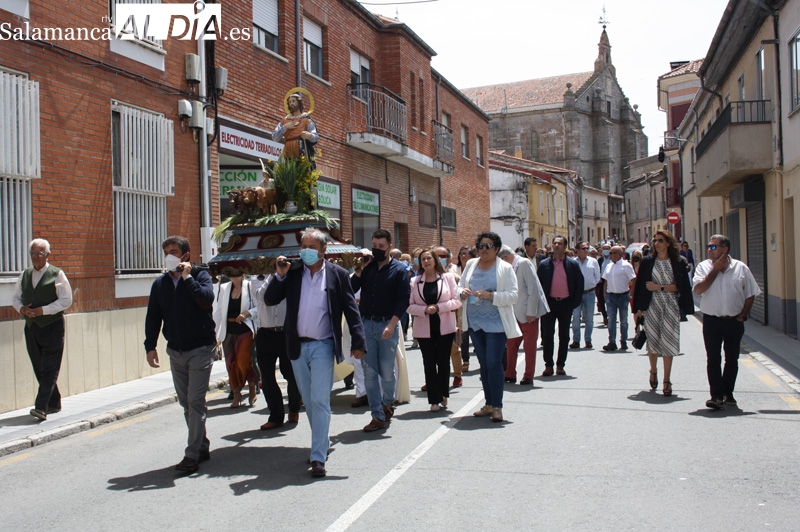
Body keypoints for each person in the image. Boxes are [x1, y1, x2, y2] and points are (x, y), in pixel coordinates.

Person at [265, 227, 366, 478]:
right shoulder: (293, 272)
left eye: (311, 246)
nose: (306, 251)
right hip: (297, 346)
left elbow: (351, 311)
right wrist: (279, 275)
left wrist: (358, 341)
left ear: (323, 250)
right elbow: (270, 299)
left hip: (322, 345)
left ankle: (318, 456)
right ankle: (321, 440)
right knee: (308, 402)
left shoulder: (338, 275)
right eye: (303, 246)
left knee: (320, 400)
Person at [144, 236, 217, 474]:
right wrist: (150, 345)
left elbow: (206, 301)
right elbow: (153, 315)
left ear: (185, 255)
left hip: (200, 349)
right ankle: (202, 445)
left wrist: (187, 278)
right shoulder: (160, 284)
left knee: (196, 401)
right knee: (186, 403)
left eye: (173, 251)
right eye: (166, 252)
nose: (169, 256)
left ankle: (192, 454)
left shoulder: (200, 276)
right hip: (175, 350)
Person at [350, 229, 410, 432]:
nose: (376, 250)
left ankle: (387, 402)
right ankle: (376, 414)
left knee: (386, 372)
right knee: (369, 371)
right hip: (366, 323)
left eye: (381, 247)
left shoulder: (399, 270)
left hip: (387, 324)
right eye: (374, 246)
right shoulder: (367, 268)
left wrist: (392, 324)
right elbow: (350, 288)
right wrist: (359, 270)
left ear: (389, 247)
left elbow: (403, 300)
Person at [458, 232, 521, 422]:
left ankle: (498, 406)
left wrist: (491, 295)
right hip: (475, 321)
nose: (483, 249)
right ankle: (488, 403)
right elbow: (459, 287)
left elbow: (513, 295)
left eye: (488, 246)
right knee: (484, 363)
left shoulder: (505, 268)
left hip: (496, 321)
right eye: (480, 245)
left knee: (493, 362)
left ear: (496, 249)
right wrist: (463, 292)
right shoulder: (470, 264)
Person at [692, 234, 760, 409]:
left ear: (725, 249)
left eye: (713, 247)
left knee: (732, 358)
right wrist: (715, 270)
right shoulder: (703, 267)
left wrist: (742, 315)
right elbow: (698, 290)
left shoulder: (740, 268)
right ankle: (716, 395)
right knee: (713, 358)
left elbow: (750, 293)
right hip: (711, 321)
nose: (709, 249)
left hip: (733, 321)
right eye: (709, 246)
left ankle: (728, 392)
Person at [12, 238, 73, 421]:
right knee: (39, 365)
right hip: (31, 327)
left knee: (50, 367)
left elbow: (66, 301)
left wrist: (43, 310)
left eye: (39, 253)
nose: (36, 257)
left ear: (47, 255)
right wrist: (22, 309)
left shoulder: (57, 274)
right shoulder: (25, 274)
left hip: (52, 326)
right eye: (33, 253)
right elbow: (16, 298)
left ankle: (41, 407)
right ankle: (54, 401)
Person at [632, 230, 695, 397]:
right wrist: (637, 309)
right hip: (651, 305)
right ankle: (653, 370)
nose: (657, 243)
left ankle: (667, 380)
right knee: (652, 340)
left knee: (669, 341)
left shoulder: (678, 262)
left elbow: (681, 286)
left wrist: (659, 287)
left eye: (660, 240)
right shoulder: (647, 261)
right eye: (654, 240)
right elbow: (639, 286)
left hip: (670, 304)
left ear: (668, 243)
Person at [407, 248, 462, 411]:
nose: (426, 261)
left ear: (435, 260)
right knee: (429, 363)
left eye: (429, 258)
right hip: (424, 329)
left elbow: (456, 301)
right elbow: (409, 306)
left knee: (443, 362)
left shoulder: (448, 278)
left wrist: (439, 307)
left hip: (445, 327)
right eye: (423, 259)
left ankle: (444, 393)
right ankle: (434, 399)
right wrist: (424, 310)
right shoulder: (414, 282)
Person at [251, 274, 302, 429]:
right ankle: (276, 415)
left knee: (291, 374)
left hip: (285, 332)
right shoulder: (257, 277)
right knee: (267, 377)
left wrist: (282, 276)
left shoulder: (290, 277)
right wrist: (274, 276)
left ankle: (294, 407)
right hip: (265, 333)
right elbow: (261, 297)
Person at [498, 245, 548, 386]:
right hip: (513, 312)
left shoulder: (524, 263)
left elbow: (534, 288)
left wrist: (531, 312)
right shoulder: (508, 267)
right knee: (511, 344)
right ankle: (510, 373)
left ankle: (528, 375)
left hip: (527, 313)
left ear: (506, 258)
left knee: (529, 346)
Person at [537, 236, 584, 376]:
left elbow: (579, 284)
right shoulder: (544, 264)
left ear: (565, 247)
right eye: (555, 243)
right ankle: (548, 365)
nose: (556, 245)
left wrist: (573, 303)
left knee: (564, 336)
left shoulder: (572, 265)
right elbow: (538, 285)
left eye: (559, 243)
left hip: (565, 304)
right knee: (547, 335)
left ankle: (560, 365)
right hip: (549, 304)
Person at [213, 272, 258, 408]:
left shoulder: (250, 287)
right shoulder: (224, 288)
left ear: (242, 274)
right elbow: (219, 311)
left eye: (235, 273)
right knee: (230, 363)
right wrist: (214, 333)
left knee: (242, 362)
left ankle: (252, 387)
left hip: (245, 330)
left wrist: (246, 313)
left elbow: (259, 307)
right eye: (230, 273)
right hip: (229, 331)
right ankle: (236, 394)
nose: (233, 276)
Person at [434, 245, 463, 386]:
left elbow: (459, 300)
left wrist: (460, 322)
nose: (439, 259)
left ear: (449, 259)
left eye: (443, 256)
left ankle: (457, 375)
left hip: (450, 317)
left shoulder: (454, 277)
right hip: (430, 319)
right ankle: (433, 378)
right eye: (436, 256)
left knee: (453, 349)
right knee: (432, 352)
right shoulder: (424, 275)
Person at [601, 246, 636, 351]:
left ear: (618, 254)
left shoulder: (626, 266)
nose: (609, 255)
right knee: (611, 320)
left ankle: (623, 341)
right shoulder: (609, 266)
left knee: (623, 320)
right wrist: (604, 294)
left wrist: (631, 293)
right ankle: (612, 341)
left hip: (623, 295)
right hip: (611, 296)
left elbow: (633, 279)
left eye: (611, 253)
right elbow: (605, 280)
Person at [570, 242, 601, 350]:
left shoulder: (593, 261)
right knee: (576, 318)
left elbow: (597, 277)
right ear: (577, 250)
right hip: (576, 294)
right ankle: (576, 340)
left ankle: (588, 340)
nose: (586, 250)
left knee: (589, 318)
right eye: (583, 248)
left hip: (590, 293)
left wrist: (592, 284)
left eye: (587, 248)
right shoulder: (573, 262)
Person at [272, 92, 318, 159]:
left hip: (302, 153)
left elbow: (315, 137)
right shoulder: (285, 120)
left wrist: (309, 135)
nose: (291, 103)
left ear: (299, 103)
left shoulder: (306, 119)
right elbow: (275, 137)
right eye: (290, 102)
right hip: (288, 153)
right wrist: (285, 127)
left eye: (293, 101)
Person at [456, 245, 476, 371]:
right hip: (459, 306)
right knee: (463, 335)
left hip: (474, 304)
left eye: (466, 253)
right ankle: (465, 361)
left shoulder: (476, 268)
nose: (464, 256)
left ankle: (482, 360)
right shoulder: (454, 269)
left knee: (475, 334)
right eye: (461, 253)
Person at [596, 242, 612, 325]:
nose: (606, 250)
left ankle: (611, 315)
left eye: (607, 249)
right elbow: (597, 270)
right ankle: (605, 316)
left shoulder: (613, 259)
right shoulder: (600, 260)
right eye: (604, 249)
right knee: (601, 300)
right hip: (602, 281)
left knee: (610, 300)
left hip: (611, 281)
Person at [630, 249, 644, 333]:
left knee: (642, 310)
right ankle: (637, 328)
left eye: (638, 255)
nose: (636, 257)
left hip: (642, 291)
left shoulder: (644, 266)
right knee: (635, 310)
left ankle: (644, 327)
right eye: (634, 256)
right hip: (633, 291)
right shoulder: (630, 267)